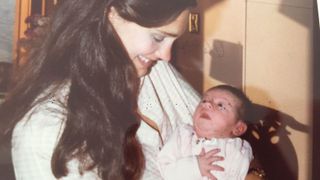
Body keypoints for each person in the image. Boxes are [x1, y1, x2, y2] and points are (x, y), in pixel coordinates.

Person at [0, 0, 199, 179]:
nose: (166, 56)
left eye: (174, 41)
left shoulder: (154, 71)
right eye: (158, 37)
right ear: (111, 13)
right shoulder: (46, 131)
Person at [157, 85, 253, 180]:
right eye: (204, 101)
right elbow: (163, 168)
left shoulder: (241, 149)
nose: (207, 104)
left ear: (238, 128)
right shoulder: (182, 136)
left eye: (221, 105)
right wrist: (195, 166)